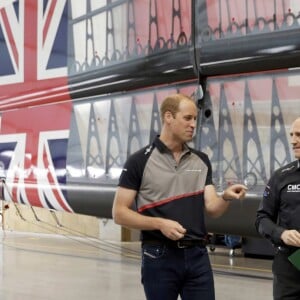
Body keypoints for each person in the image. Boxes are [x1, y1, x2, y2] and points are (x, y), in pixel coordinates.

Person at [112, 93, 247, 300]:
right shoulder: (139, 161)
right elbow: (119, 213)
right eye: (187, 118)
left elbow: (212, 208)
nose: (193, 124)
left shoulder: (201, 161)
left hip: (197, 256)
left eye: (195, 119)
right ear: (169, 117)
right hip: (158, 256)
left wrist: (225, 197)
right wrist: (160, 224)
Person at [256, 117, 300, 300]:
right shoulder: (281, 177)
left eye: (299, 135)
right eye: (291, 135)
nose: (293, 140)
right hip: (290, 266)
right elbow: (262, 219)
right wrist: (281, 234)